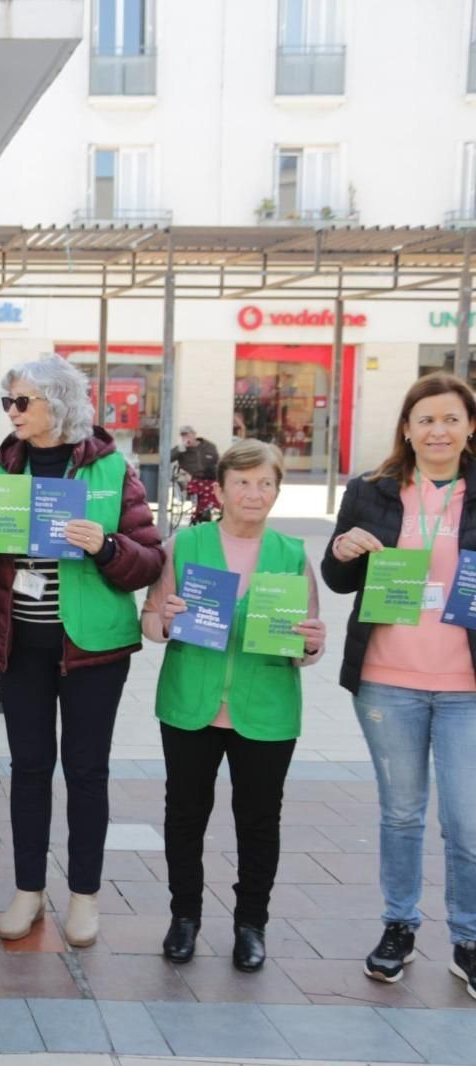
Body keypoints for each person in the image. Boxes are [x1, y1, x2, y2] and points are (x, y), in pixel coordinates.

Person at [0, 355, 163, 948]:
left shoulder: (113, 469)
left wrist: (106, 545)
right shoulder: (2, 465)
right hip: (21, 646)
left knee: (87, 772)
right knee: (28, 770)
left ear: (60, 404)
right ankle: (27, 892)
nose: (12, 413)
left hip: (94, 649)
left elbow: (147, 562)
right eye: (8, 402)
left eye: (23, 402)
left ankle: (84, 898)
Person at [141, 439, 326, 972]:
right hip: (190, 703)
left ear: (277, 491)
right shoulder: (187, 544)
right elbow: (150, 621)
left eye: (265, 483)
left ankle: (251, 925)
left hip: (265, 708)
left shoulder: (291, 553)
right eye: (242, 482)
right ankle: (185, 918)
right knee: (185, 815)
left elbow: (309, 646)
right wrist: (167, 619)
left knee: (259, 821)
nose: (254, 492)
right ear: (219, 489)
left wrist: (312, 641)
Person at [321, 371, 476, 997]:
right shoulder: (373, 491)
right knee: (402, 813)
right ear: (407, 430)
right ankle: (399, 928)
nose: (437, 430)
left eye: (450, 419)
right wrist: (343, 552)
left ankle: (467, 937)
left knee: (466, 821)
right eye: (425, 419)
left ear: (470, 427)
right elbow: (336, 581)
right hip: (386, 678)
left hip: (467, 685)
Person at [172, 426, 220, 524]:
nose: (186, 437)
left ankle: (205, 511)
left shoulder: (209, 446)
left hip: (209, 477)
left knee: (214, 487)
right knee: (202, 488)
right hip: (192, 479)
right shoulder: (182, 449)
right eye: (183, 435)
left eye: (188, 434)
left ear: (194, 434)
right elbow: (167, 458)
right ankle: (202, 512)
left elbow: (217, 461)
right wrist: (181, 448)